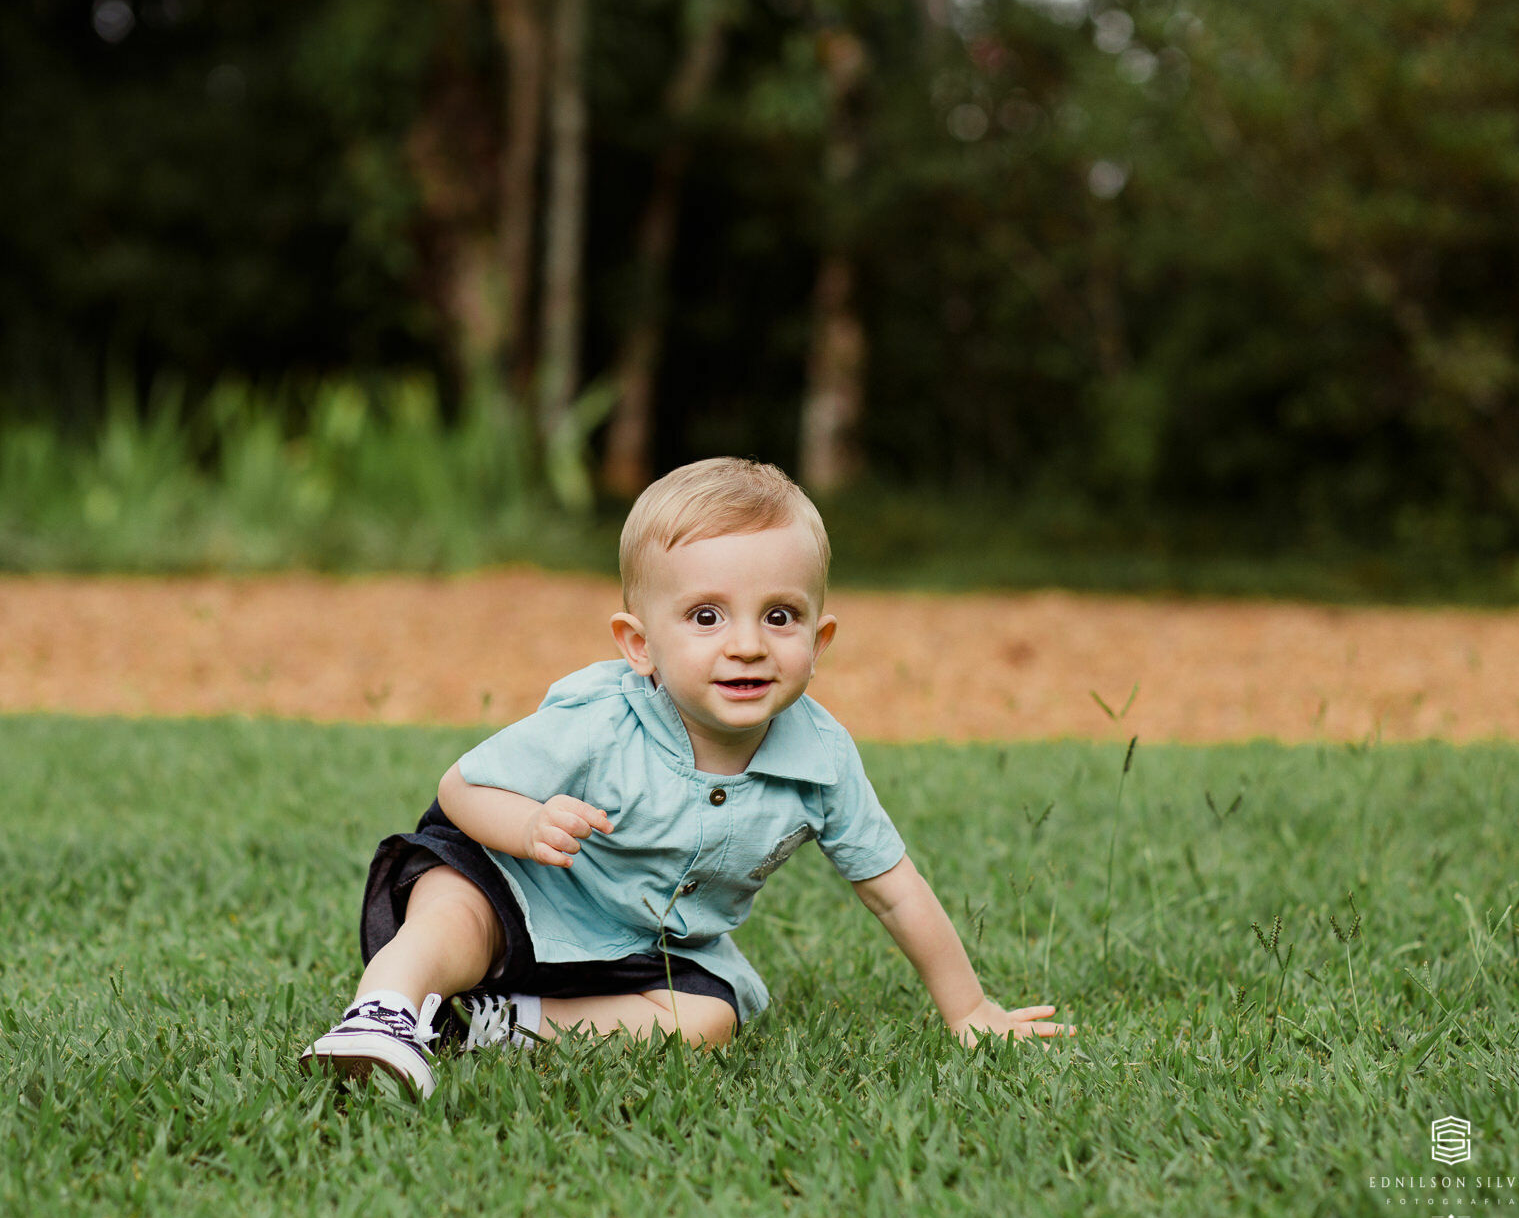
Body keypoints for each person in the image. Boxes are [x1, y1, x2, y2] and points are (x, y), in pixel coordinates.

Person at [300, 457, 1075, 1095]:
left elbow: (893, 887)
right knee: (451, 916)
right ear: (640, 644)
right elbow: (460, 789)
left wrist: (969, 1007)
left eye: (780, 616)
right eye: (707, 617)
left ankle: (490, 1024)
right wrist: (527, 829)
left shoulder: (821, 761)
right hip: (516, 884)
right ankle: (383, 1015)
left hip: (641, 945)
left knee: (708, 1021)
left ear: (820, 635)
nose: (747, 644)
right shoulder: (602, 718)